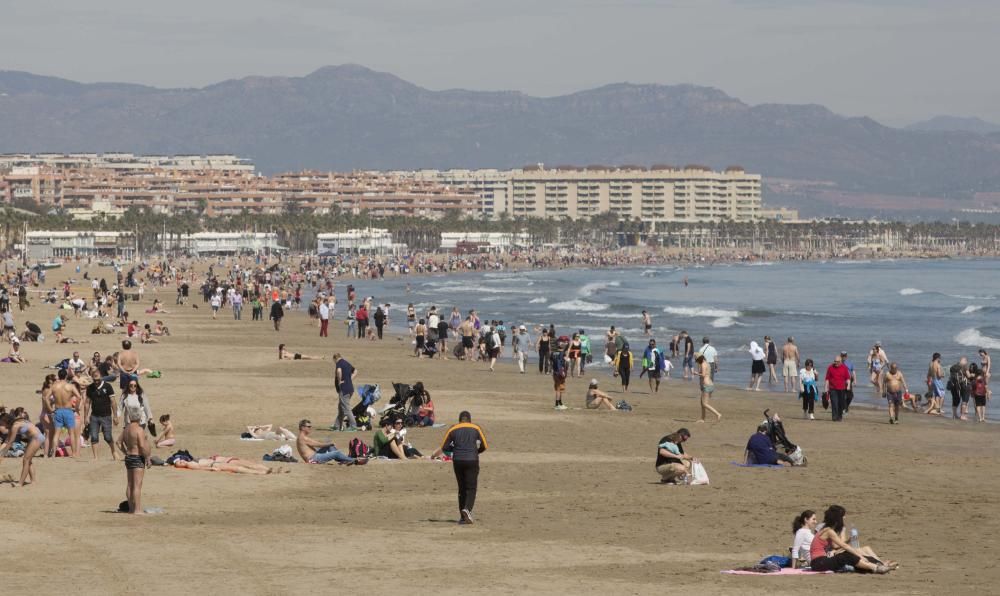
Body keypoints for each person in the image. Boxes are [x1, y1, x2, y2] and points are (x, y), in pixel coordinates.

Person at [431, 411, 488, 525]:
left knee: (461, 488)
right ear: (469, 420)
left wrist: (456, 449)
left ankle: (462, 517)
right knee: (471, 488)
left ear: (460, 420)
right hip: (472, 459)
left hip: (457, 460)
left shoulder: (453, 429)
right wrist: (476, 452)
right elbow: (485, 445)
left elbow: (444, 447)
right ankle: (467, 509)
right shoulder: (476, 427)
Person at [808, 505, 895, 574]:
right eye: (843, 516)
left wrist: (847, 536)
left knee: (849, 557)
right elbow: (844, 546)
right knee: (846, 556)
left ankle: (877, 566)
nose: (844, 518)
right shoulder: (828, 531)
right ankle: (876, 567)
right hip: (819, 563)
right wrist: (859, 556)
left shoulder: (827, 530)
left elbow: (835, 545)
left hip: (820, 562)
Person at [118, 406, 151, 514]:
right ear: (140, 417)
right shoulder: (139, 429)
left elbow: (118, 442)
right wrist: (147, 458)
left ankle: (131, 508)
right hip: (137, 457)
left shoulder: (126, 429)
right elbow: (141, 445)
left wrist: (125, 451)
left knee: (130, 484)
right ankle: (137, 509)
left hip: (129, 457)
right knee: (137, 484)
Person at [0, 413, 45, 486]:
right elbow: (6, 441)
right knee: (28, 460)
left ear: (5, 421)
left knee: (26, 460)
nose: (1, 425)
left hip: (37, 438)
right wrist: (1, 453)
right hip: (34, 438)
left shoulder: (15, 426)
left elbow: (10, 442)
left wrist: (2, 455)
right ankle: (33, 481)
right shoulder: (15, 424)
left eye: (1, 423)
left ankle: (20, 483)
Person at [295, 419, 365, 465]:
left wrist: (329, 443)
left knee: (329, 444)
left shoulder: (302, 437)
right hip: (313, 459)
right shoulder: (303, 438)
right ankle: (353, 460)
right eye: (308, 427)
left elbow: (316, 443)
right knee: (336, 453)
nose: (310, 428)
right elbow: (318, 445)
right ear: (302, 427)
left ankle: (344, 460)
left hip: (315, 456)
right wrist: (330, 443)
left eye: (310, 426)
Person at [87, 373, 118, 459]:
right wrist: (86, 416)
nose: (96, 382)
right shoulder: (90, 388)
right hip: (94, 416)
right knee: (94, 436)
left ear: (101, 377)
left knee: (107, 436)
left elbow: (113, 402)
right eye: (94, 380)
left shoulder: (108, 386)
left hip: (106, 416)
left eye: (98, 380)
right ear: (92, 378)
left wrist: (115, 416)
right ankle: (95, 457)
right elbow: (87, 403)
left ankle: (113, 451)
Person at [333, 352, 358, 431]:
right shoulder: (346, 363)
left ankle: (353, 426)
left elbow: (339, 371)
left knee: (346, 408)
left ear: (335, 359)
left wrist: (340, 381)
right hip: (350, 389)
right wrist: (349, 380)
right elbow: (356, 371)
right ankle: (337, 426)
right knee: (341, 408)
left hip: (344, 389)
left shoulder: (339, 363)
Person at [824, 354, 851, 422]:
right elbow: (827, 379)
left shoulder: (844, 368)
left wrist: (848, 386)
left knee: (840, 403)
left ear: (840, 361)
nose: (835, 363)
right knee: (834, 402)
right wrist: (826, 388)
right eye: (835, 361)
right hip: (832, 388)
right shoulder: (830, 367)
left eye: (837, 361)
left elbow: (848, 378)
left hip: (842, 388)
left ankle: (839, 416)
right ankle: (834, 417)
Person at [694, 355, 721, 422]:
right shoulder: (707, 363)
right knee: (702, 403)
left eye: (697, 360)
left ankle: (718, 414)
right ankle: (702, 419)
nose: (696, 362)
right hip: (710, 384)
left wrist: (696, 373)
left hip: (706, 385)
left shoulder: (703, 364)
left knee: (705, 404)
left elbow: (703, 375)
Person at [948, 356, 972, 420]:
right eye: (966, 361)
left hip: (955, 385)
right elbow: (969, 376)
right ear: (965, 361)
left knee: (955, 400)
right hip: (964, 385)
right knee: (964, 400)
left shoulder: (954, 366)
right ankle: (962, 415)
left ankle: (954, 415)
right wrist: (973, 375)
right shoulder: (965, 366)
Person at [551, 336, 569, 410]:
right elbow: (559, 363)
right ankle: (557, 404)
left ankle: (560, 403)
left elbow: (551, 361)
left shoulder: (554, 352)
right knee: (559, 388)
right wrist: (562, 372)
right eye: (564, 342)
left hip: (555, 372)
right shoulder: (561, 353)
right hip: (559, 372)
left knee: (559, 388)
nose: (565, 343)